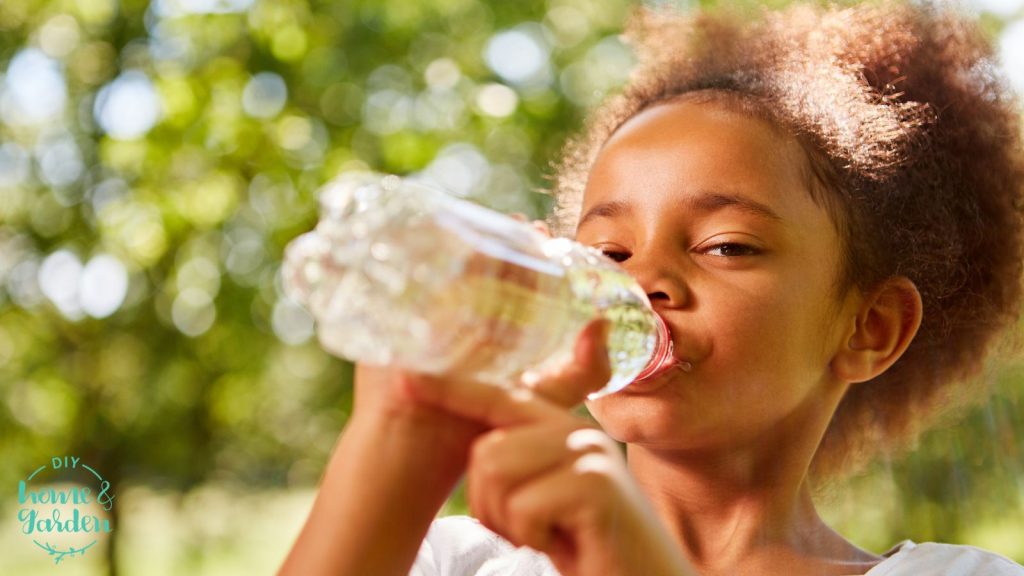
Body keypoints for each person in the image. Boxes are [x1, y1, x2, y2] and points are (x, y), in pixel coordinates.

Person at [279, 2, 1024, 575]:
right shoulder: (457, 560)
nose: (644, 281)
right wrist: (401, 429)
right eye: (608, 248)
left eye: (726, 245)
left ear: (870, 328)